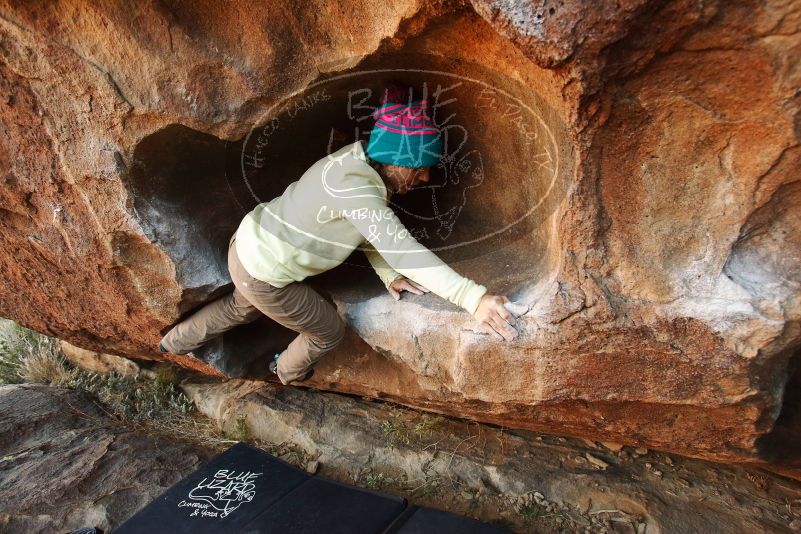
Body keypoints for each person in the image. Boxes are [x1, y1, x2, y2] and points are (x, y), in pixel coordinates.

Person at [158, 83, 518, 385]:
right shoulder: (359, 190)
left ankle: (171, 344)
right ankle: (285, 371)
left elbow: (365, 229)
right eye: (421, 169)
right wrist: (474, 298)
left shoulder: (355, 162)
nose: (425, 179)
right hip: (264, 273)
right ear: (398, 160)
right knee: (327, 329)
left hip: (247, 244)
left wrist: (388, 275)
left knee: (241, 305)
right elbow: (401, 248)